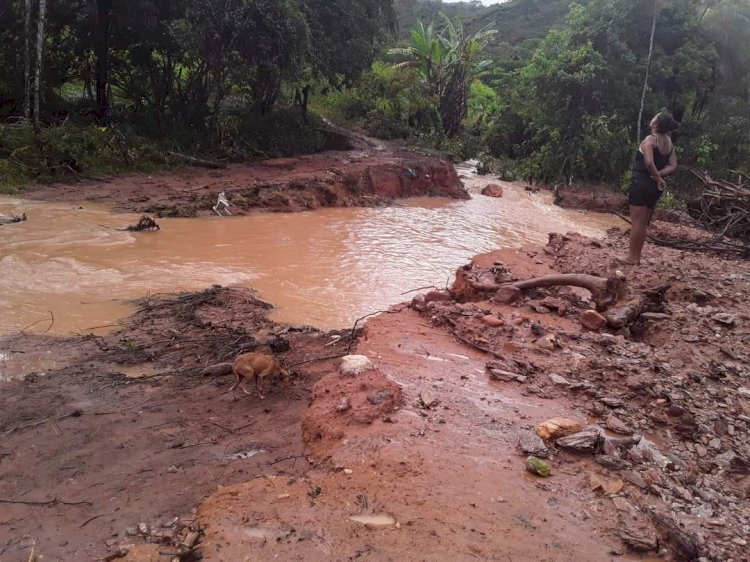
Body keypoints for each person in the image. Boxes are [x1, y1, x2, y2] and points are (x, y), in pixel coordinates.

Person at [622, 111, 679, 265]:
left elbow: (648, 162)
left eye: (655, 116)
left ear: (656, 123)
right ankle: (637, 257)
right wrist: (659, 176)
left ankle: (631, 258)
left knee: (637, 222)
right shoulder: (669, 143)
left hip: (641, 182)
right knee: (643, 222)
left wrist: (656, 175)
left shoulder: (650, 139)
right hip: (654, 187)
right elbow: (673, 165)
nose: (652, 117)